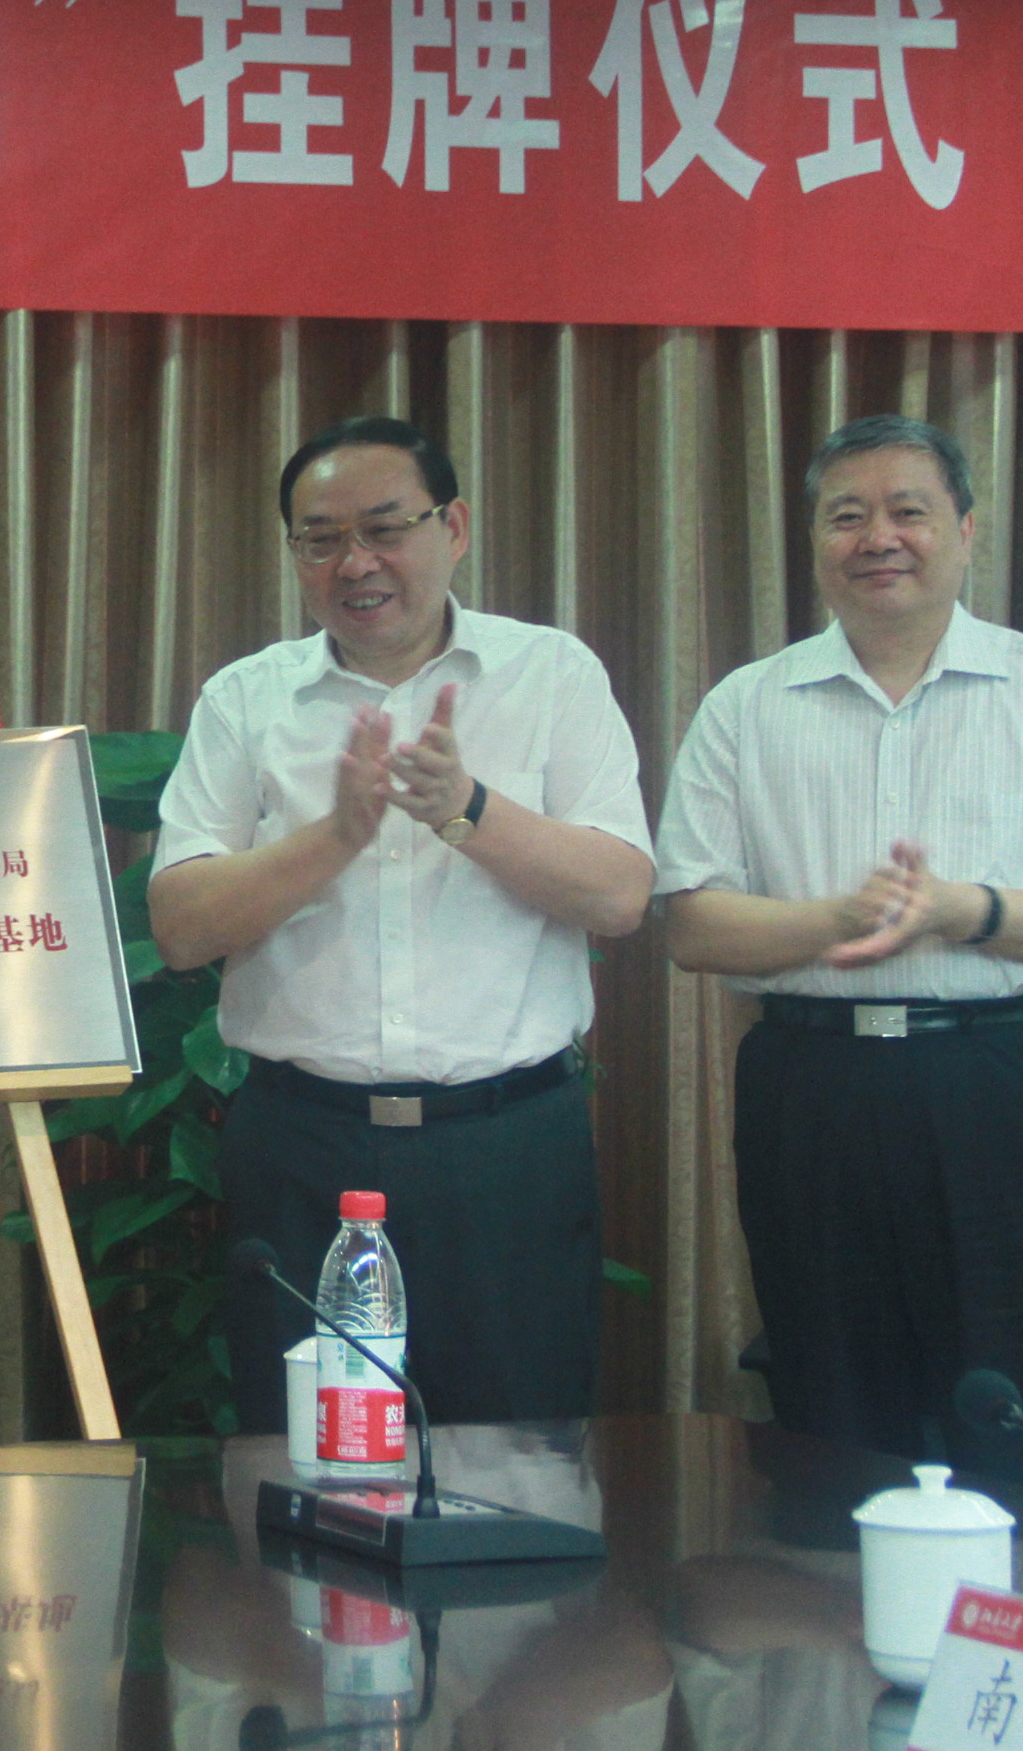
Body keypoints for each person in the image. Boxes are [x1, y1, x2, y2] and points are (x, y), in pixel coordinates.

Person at [656, 412, 1023, 1469]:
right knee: (831, 1407)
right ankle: (837, 1579)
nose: (878, 538)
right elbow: (693, 924)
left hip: (1001, 1081)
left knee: (1014, 1406)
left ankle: (1018, 1581)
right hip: (811, 1087)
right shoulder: (746, 706)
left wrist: (959, 910)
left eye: (909, 511)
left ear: (966, 531)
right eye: (847, 517)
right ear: (815, 541)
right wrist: (836, 919)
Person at [152, 416, 653, 1431]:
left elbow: (619, 896)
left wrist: (466, 810)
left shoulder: (551, 675)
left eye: (386, 529)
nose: (356, 563)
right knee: (307, 1452)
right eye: (321, 538)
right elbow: (181, 926)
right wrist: (336, 835)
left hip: (505, 1146)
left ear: (452, 528)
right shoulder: (247, 699)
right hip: (303, 1145)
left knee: (519, 1452)